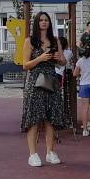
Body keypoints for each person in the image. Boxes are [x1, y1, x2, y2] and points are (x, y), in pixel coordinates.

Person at [21, 11, 68, 166]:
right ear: (36, 23)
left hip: (51, 81)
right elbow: (25, 65)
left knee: (51, 118)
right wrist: (40, 58)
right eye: (41, 20)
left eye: (46, 20)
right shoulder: (30, 41)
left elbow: (63, 62)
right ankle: (32, 154)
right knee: (34, 117)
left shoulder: (55, 40)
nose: (44, 22)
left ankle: (50, 151)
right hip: (35, 82)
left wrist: (58, 58)